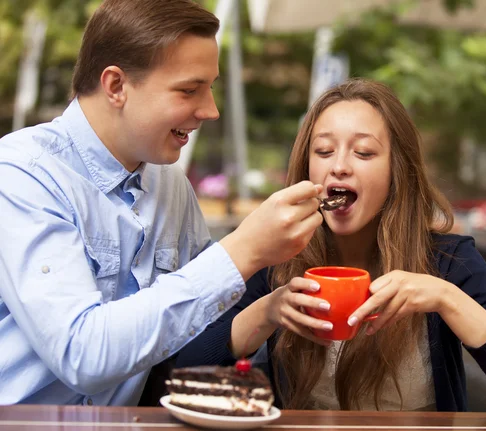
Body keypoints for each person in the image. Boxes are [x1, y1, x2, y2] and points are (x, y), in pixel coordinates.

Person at [0, 0, 323, 405]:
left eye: (211, 87)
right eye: (189, 90)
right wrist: (242, 249)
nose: (211, 111)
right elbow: (81, 354)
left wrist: (271, 309)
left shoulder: (170, 185)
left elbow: (186, 344)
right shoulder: (22, 173)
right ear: (116, 86)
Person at [176, 78, 486, 416]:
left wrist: (447, 297)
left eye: (363, 153)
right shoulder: (279, 256)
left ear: (398, 171)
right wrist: (268, 311)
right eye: (323, 152)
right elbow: (179, 373)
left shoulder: (451, 262)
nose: (339, 167)